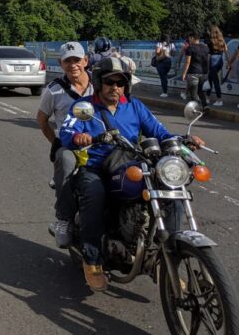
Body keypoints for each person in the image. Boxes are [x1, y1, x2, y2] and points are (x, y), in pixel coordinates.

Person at [59, 57, 204, 292]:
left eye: (120, 82)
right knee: (94, 193)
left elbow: (159, 132)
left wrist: (183, 140)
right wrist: (79, 137)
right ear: (99, 82)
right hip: (96, 167)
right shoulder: (85, 107)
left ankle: (165, 261)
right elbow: (66, 133)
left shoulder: (134, 106)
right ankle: (93, 260)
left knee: (170, 189)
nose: (115, 87)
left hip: (131, 164)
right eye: (109, 82)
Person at [36, 41, 93, 248]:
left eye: (77, 60)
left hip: (100, 142)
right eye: (67, 61)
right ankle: (64, 219)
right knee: (65, 161)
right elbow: (42, 118)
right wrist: (57, 142)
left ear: (85, 61)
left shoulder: (100, 85)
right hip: (71, 145)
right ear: (61, 64)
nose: (73, 65)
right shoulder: (54, 90)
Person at [181, 31, 209, 108]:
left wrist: (184, 73)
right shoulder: (206, 47)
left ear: (192, 38)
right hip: (204, 73)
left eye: (189, 38)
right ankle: (205, 106)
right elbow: (207, 61)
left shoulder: (189, 48)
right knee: (200, 91)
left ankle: (196, 110)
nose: (189, 40)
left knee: (193, 94)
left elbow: (187, 62)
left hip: (193, 73)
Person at [204, 25, 228, 107]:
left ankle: (219, 99)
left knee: (215, 81)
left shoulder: (209, 41)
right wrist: (228, 62)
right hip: (220, 60)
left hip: (213, 61)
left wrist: (206, 67)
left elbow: (208, 54)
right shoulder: (222, 40)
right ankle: (207, 97)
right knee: (211, 79)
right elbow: (226, 50)